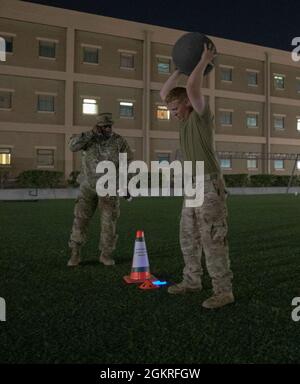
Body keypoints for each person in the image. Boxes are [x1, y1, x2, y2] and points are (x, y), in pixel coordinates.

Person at [160, 44, 234, 309]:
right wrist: (178, 71)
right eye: (170, 110)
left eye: (176, 108)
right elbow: (164, 93)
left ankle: (223, 291)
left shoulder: (201, 115)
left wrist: (202, 62)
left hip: (209, 184)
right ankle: (191, 281)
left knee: (212, 237)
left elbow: (192, 88)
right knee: (188, 234)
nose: (173, 113)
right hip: (192, 185)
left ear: (188, 103)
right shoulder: (182, 121)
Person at [67, 112, 133, 267]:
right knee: (80, 220)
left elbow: (127, 163)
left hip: (109, 188)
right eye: (104, 126)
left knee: (109, 223)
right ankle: (75, 253)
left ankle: (106, 254)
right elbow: (72, 146)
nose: (108, 129)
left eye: (109, 126)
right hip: (88, 187)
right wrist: (90, 134)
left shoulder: (119, 141)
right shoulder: (88, 139)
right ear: (98, 126)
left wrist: (125, 184)